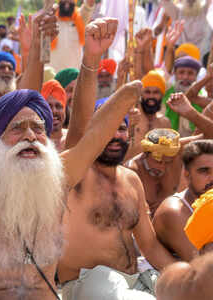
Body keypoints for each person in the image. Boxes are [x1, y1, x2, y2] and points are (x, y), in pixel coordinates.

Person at [0, 10, 145, 299]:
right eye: (17, 128)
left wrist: (103, 71)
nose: (30, 135)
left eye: (38, 128)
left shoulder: (58, 177)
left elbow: (90, 134)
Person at [57, 18, 176, 300]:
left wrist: (189, 277)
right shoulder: (77, 175)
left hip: (137, 280)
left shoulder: (132, 180)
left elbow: (149, 245)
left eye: (120, 128)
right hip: (87, 283)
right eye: (106, 130)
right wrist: (92, 58)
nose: (114, 135)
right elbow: (79, 126)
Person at [127, 93, 213, 217]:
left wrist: (190, 113)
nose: (162, 167)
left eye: (168, 162)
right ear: (145, 155)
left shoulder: (176, 152)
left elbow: (210, 136)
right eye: (157, 161)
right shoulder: (132, 170)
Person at [153, 139, 213, 261]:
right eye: (204, 171)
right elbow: (200, 266)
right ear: (187, 175)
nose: (212, 178)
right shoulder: (174, 211)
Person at [163, 55, 203, 136]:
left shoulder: (203, 96)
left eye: (190, 73)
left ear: (196, 76)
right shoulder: (165, 90)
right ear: (174, 74)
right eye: (181, 72)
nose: (185, 77)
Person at [50, 0, 95, 72]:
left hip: (73, 75)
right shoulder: (50, 18)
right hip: (52, 73)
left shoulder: (81, 16)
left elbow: (89, 4)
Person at [41, 79, 67, 151]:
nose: (54, 111)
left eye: (58, 106)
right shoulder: (36, 143)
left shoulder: (73, 138)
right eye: (48, 107)